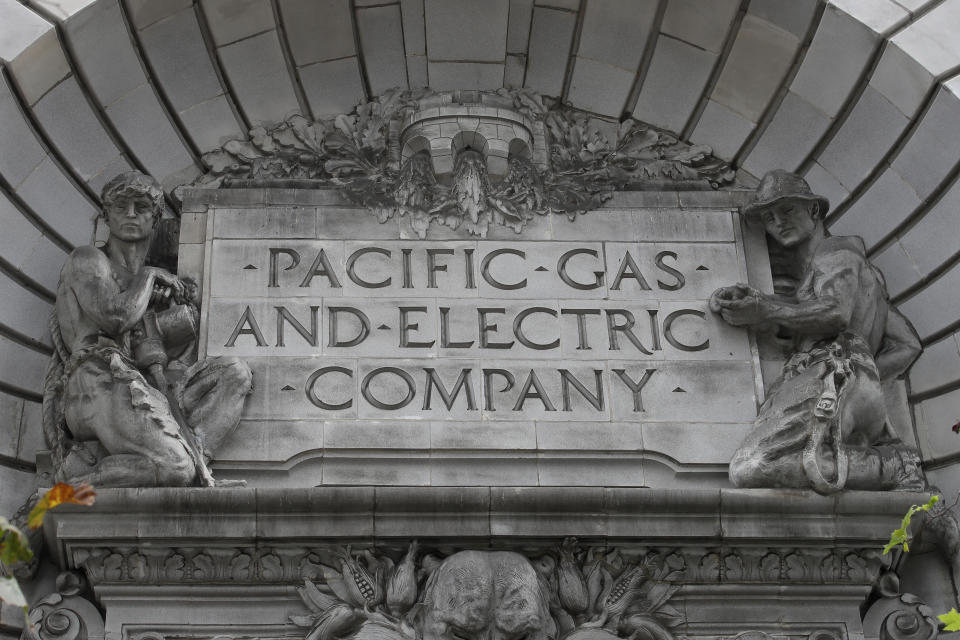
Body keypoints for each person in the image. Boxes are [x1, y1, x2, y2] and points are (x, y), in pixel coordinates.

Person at [710, 170, 924, 494]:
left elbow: (834, 313)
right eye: (769, 216)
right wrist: (867, 378)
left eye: (787, 210)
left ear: (814, 211)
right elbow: (908, 343)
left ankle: (893, 467)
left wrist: (766, 309)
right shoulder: (844, 268)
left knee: (753, 466)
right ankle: (882, 462)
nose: (778, 222)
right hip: (846, 383)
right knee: (761, 465)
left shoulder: (836, 252)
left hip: (829, 376)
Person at [46, 171, 252, 487]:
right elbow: (113, 318)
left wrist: (175, 312)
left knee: (233, 373)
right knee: (175, 469)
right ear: (106, 214)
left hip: (146, 386)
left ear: (154, 219)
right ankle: (65, 492)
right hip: (98, 382)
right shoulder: (87, 260)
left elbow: (155, 350)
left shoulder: (152, 287)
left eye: (141, 207)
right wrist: (151, 277)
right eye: (120, 206)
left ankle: (189, 462)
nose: (130, 214)